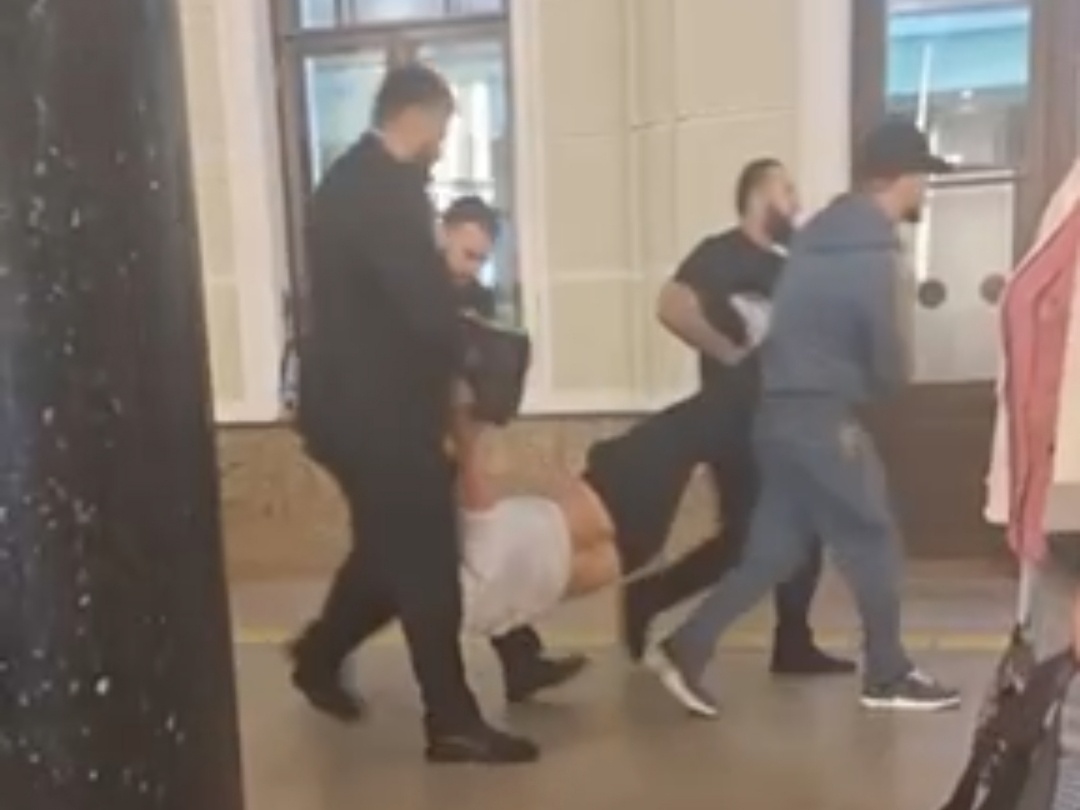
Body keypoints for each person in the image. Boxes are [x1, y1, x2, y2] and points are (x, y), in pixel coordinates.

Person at [649, 119, 963, 716]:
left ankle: (686, 647)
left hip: (778, 415)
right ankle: (887, 674)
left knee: (774, 550)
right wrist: (885, 385)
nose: (926, 188)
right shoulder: (871, 250)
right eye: (923, 176)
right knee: (874, 536)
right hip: (822, 417)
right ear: (897, 178)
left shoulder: (817, 237)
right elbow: (887, 355)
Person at [289, 63, 536, 764]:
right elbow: (421, 306)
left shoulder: (356, 182)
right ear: (419, 117)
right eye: (444, 128)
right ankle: (450, 720)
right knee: (425, 562)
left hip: (358, 411)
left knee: (387, 552)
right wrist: (476, 352)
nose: (442, 143)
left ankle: (319, 656)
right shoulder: (380, 191)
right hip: (377, 415)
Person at [621, 159, 853, 676]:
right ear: (758, 195)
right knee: (745, 541)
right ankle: (650, 596)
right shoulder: (721, 253)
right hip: (735, 421)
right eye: (787, 190)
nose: (796, 202)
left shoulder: (788, 265)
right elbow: (672, 306)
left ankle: (792, 642)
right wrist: (728, 354)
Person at [443, 194, 589, 702]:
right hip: (407, 445)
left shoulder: (477, 303)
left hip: (446, 443)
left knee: (472, 555)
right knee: (401, 570)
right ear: (443, 233)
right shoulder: (412, 293)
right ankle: (327, 651)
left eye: (481, 258)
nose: (471, 268)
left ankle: (519, 658)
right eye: (466, 254)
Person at [448, 381, 728, 640]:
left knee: (700, 425)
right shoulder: (462, 589)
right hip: (608, 509)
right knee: (697, 422)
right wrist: (464, 434)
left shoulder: (460, 612)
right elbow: (479, 514)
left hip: (618, 545)